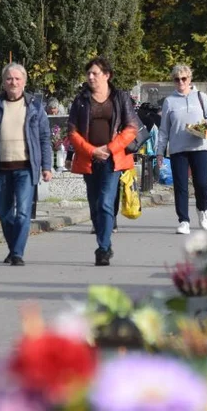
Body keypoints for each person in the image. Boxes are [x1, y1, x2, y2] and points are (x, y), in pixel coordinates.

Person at [0, 63, 53, 267]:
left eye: (17, 79)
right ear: (4, 82)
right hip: (1, 168)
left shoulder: (34, 106)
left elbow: (44, 138)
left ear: (24, 82)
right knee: (5, 213)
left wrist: (46, 166)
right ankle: (13, 249)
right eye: (9, 79)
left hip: (26, 167)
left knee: (23, 212)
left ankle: (17, 253)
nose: (13, 82)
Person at [67, 57, 139, 266]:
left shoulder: (120, 98)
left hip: (113, 159)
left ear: (107, 76)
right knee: (94, 204)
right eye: (88, 73)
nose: (90, 77)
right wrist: (92, 150)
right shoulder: (81, 100)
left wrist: (109, 148)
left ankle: (103, 247)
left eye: (95, 73)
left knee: (106, 202)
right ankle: (103, 240)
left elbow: (131, 127)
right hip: (89, 159)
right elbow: (72, 131)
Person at [156, 64, 207, 235]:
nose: (181, 82)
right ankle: (183, 220)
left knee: (202, 184)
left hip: (199, 146)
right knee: (181, 186)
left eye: (184, 78)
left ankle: (202, 209)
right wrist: (160, 151)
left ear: (190, 79)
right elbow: (164, 129)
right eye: (177, 79)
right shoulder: (169, 101)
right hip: (178, 148)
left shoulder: (201, 96)